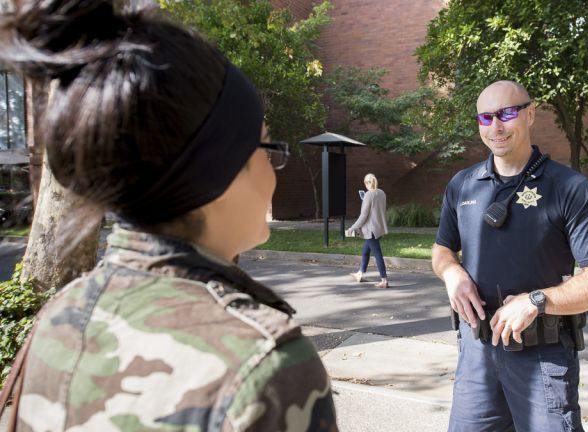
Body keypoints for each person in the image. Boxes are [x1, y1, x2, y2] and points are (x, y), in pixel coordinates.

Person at [0, 1, 337, 431]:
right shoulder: (264, 364)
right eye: (267, 148)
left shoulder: (60, 316)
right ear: (219, 168)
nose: (273, 172)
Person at [431, 80, 588, 432]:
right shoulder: (463, 184)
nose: (496, 126)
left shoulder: (569, 188)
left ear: (530, 114)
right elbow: (442, 248)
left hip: (542, 358)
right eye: (486, 118)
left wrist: (536, 301)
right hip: (477, 355)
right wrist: (452, 274)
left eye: (506, 113)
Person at [346, 173, 389, 288]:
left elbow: (363, 215)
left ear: (367, 183)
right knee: (365, 251)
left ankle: (384, 280)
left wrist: (352, 228)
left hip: (371, 230)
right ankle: (360, 273)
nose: (365, 185)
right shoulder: (382, 193)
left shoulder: (368, 195)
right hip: (379, 228)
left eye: (365, 183)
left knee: (377, 254)